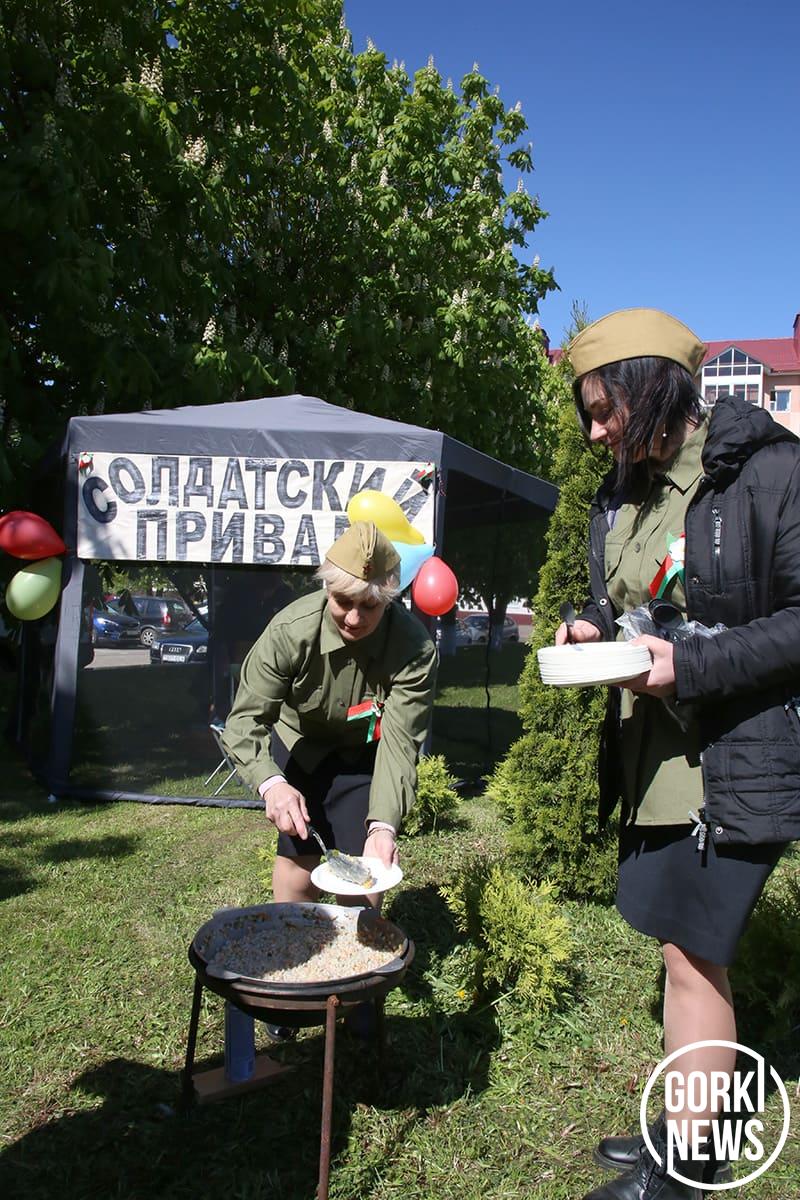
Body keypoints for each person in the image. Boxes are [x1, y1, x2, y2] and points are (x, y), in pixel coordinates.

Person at [559, 309, 800, 1200]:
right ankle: (691, 1119)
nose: (594, 432)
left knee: (693, 955)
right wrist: (595, 632)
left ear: (651, 387)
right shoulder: (621, 492)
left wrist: (690, 663)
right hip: (654, 760)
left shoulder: (767, 473)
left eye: (602, 410)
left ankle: (690, 1170)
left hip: (734, 754)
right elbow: (637, 607)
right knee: (683, 946)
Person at [221, 520, 437, 909]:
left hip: (363, 754)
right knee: (298, 869)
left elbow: (401, 743)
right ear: (326, 588)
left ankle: (358, 962)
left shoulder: (414, 650)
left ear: (388, 599)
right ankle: (293, 946)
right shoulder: (289, 632)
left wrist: (383, 826)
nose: (354, 618)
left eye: (369, 606)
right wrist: (271, 784)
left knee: (364, 881)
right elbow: (244, 721)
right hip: (300, 746)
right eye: (343, 602)